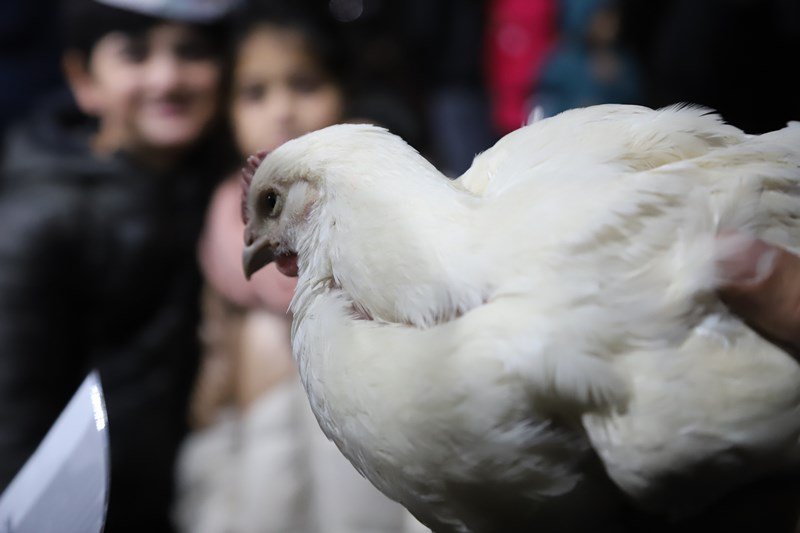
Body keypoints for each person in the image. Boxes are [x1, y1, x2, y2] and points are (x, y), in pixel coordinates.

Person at [172, 2, 424, 532]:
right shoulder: (223, 219)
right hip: (258, 445)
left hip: (373, 443)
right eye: (255, 92)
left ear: (343, 92)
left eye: (305, 85)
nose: (281, 110)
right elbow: (215, 361)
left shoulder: (390, 199)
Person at [0, 0, 237, 531]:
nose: (167, 78)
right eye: (134, 55)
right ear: (82, 78)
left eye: (192, 52)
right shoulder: (37, 219)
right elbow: (11, 419)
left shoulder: (220, 184)